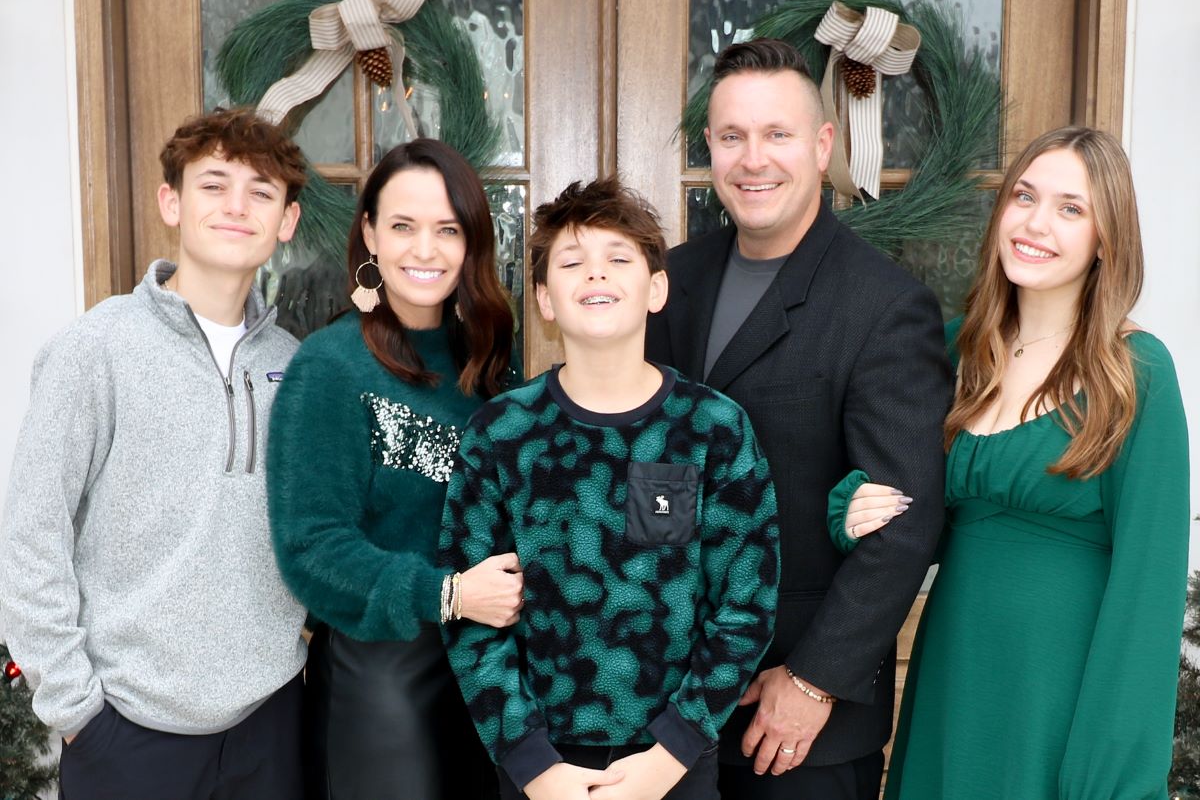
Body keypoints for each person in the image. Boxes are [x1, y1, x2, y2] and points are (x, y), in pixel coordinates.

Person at [834, 126, 1190, 799]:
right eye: (1023, 196)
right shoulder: (952, 355)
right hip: (955, 676)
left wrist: (1111, 775)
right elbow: (913, 516)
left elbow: (1149, 592)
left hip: (1061, 699)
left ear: (1106, 240)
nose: (1035, 222)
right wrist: (853, 508)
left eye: (1070, 208)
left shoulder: (1139, 373)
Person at [644, 38, 953, 800]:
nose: (754, 160)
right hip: (668, 709)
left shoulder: (884, 307)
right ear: (710, 147)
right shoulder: (669, 282)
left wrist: (814, 681)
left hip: (797, 726)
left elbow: (906, 522)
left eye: (777, 134)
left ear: (821, 146)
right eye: (732, 137)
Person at [439, 176, 781, 800]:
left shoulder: (713, 429)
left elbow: (745, 606)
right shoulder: (501, 434)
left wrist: (672, 752)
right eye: (572, 263)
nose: (596, 275)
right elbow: (472, 613)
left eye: (618, 259)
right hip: (539, 766)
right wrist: (532, 763)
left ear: (656, 289)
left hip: (672, 761)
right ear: (544, 298)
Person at [0, 108, 309, 799]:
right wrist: (77, 711)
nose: (237, 206)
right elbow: (30, 539)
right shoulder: (97, 349)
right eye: (214, 185)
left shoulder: (296, 366)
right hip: (128, 734)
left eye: (261, 192)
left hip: (272, 724)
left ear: (286, 221)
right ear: (171, 201)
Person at [266, 138, 522, 800]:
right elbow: (310, 549)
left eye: (447, 229)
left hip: (485, 675)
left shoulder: (486, 366)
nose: (425, 250)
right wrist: (450, 594)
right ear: (371, 235)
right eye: (403, 227)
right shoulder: (330, 366)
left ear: (471, 244)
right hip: (382, 683)